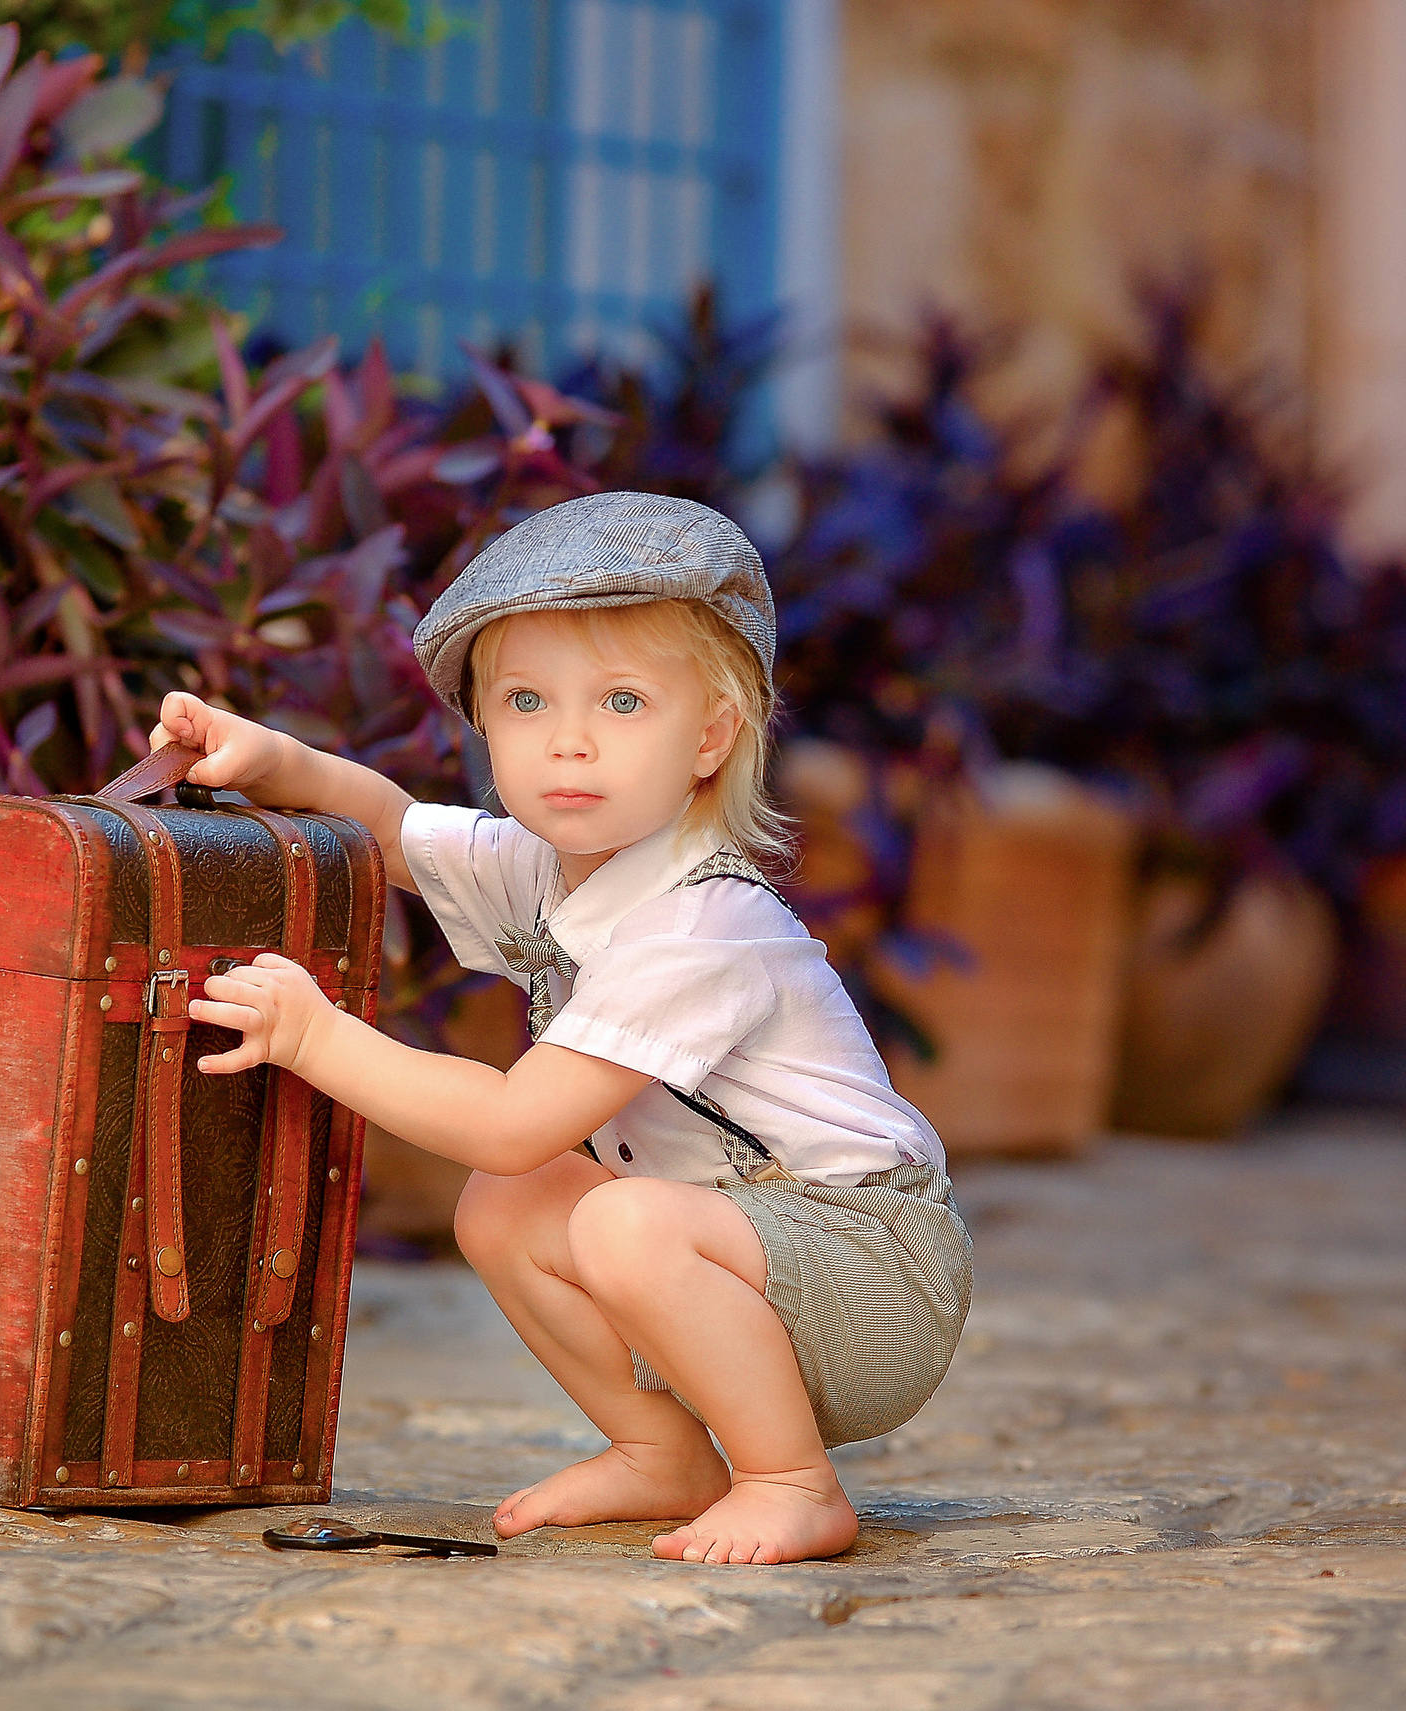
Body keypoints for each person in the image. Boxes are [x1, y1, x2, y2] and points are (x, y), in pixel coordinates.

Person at [157, 491, 972, 1566]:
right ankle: (662, 1453)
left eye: (623, 703)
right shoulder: (550, 864)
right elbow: (394, 830)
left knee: (612, 1217)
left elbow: (510, 1119)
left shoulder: (703, 922)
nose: (570, 742)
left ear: (711, 736)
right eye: (527, 701)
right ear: (487, 724)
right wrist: (272, 763)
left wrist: (317, 1038)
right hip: (744, 1253)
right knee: (512, 1206)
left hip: (874, 1272)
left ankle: (792, 1481)